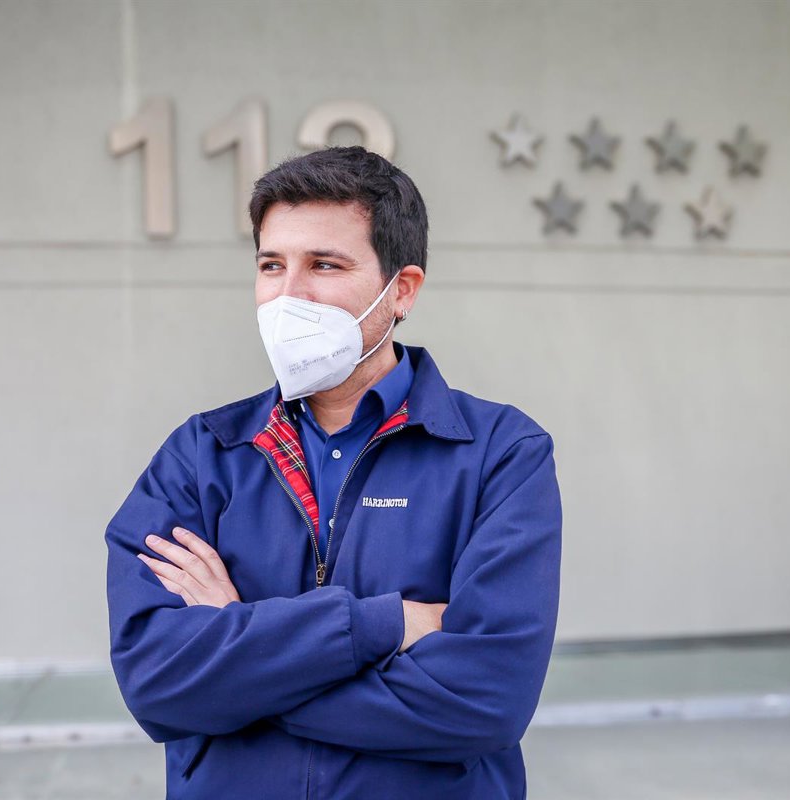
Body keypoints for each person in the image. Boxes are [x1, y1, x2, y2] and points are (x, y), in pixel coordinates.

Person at [105, 145, 562, 799]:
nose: (289, 295)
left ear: (402, 290)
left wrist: (242, 655)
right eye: (271, 265)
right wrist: (385, 625)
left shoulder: (500, 453)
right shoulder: (200, 456)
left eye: (324, 264)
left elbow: (486, 701)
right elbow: (156, 680)